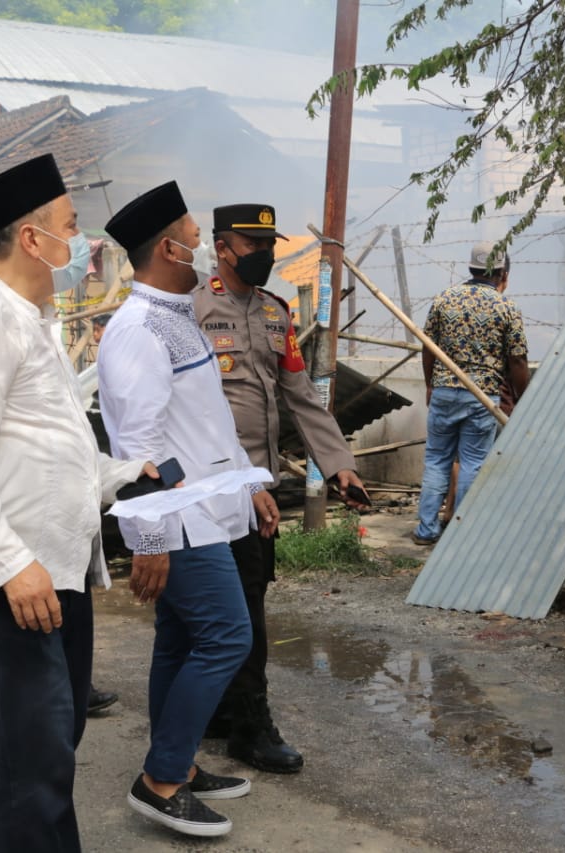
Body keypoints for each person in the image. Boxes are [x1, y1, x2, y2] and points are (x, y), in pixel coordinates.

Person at [0, 154, 152, 851]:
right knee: (42, 758)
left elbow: (49, 452)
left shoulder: (34, 320)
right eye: (73, 227)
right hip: (2, 578)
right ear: (31, 238)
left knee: (40, 745)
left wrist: (124, 472)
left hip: (52, 572)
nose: (83, 244)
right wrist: (10, 564)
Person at [98, 181, 267, 838]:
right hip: (178, 519)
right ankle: (160, 781)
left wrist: (249, 482)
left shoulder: (174, 316)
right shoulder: (138, 329)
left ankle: (179, 763)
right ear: (167, 246)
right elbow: (136, 444)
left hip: (205, 509)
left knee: (181, 639)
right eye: (194, 235)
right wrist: (150, 539)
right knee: (228, 635)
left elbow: (203, 423)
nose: (205, 244)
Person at [193, 203, 368, 773]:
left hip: (260, 493)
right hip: (211, 488)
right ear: (223, 247)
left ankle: (220, 711)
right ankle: (249, 726)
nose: (265, 254)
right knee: (238, 615)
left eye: (271, 242)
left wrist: (339, 464)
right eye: (253, 244)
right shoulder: (192, 310)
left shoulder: (275, 311)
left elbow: (300, 395)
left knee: (246, 602)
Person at [414, 241, 529, 545]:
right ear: (503, 273)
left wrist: (430, 383)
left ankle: (426, 530)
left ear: (471, 268)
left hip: (443, 392)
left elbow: (428, 349)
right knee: (472, 463)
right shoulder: (506, 308)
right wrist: (522, 396)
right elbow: (517, 360)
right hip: (482, 397)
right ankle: (460, 535)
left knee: (437, 460)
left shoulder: (444, 299)